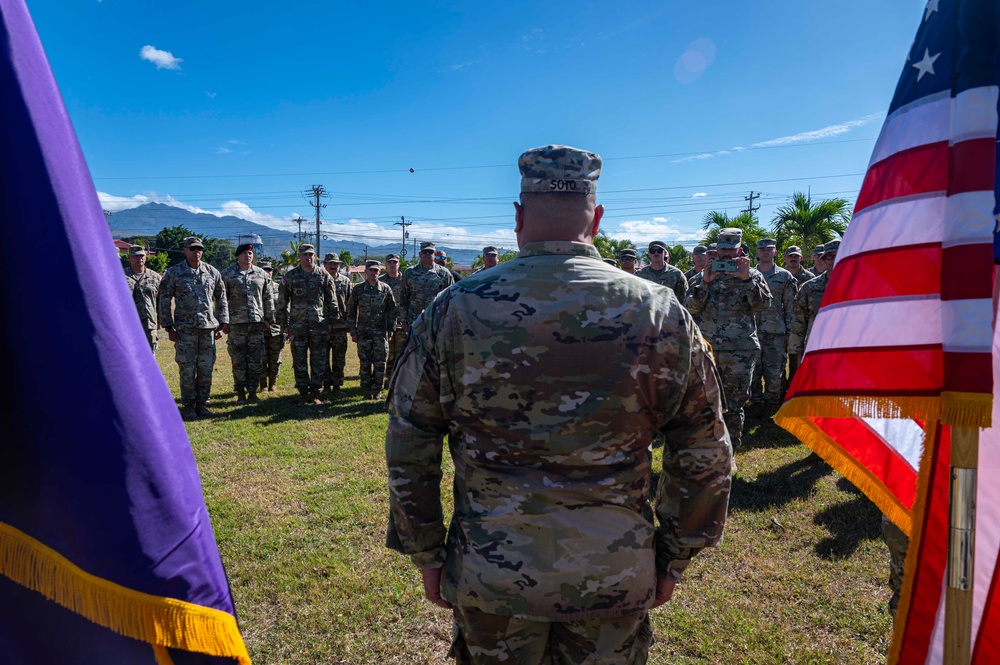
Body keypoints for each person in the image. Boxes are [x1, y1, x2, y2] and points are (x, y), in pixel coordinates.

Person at [386, 144, 732, 664]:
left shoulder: (454, 308)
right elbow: (706, 452)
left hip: (492, 572)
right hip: (613, 573)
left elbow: (409, 442)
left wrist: (427, 553)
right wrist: (674, 557)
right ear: (596, 218)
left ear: (519, 218)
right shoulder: (660, 312)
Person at [684, 228, 771, 448]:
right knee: (703, 401)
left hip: (740, 350)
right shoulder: (701, 276)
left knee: (734, 403)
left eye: (730, 250)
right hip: (707, 349)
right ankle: (706, 449)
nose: (725, 254)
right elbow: (690, 308)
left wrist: (746, 280)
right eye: (722, 249)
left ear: (739, 251)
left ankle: (730, 450)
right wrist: (705, 282)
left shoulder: (753, 275)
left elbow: (763, 305)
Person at [158, 236, 228, 420]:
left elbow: (221, 298)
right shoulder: (174, 272)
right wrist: (169, 327)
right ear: (185, 250)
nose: (197, 252)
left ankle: (202, 404)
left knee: (206, 368)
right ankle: (188, 405)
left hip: (207, 329)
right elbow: (164, 299)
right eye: (192, 249)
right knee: (187, 368)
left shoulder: (212, 272)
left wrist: (223, 324)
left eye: (199, 249)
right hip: (185, 330)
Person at [277, 243, 338, 405]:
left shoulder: (324, 276)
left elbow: (332, 301)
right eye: (305, 254)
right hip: (298, 326)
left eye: (311, 254)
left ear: (314, 256)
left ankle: (316, 393)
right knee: (300, 361)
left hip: (319, 326)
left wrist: (332, 322)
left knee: (318, 361)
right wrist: (284, 325)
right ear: (299, 256)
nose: (308, 257)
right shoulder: (291, 276)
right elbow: (282, 302)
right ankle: (304, 393)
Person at [748, 238, 797, 417]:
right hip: (752, 331)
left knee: (775, 372)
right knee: (753, 371)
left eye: (769, 249)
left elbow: (790, 306)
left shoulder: (785, 276)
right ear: (758, 253)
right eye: (762, 250)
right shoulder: (749, 274)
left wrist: (789, 332)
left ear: (775, 252)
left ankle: (771, 405)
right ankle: (754, 404)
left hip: (775, 332)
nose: (765, 252)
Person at [221, 244, 274, 404]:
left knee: (256, 359)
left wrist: (268, 318)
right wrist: (223, 320)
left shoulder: (262, 274)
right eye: (244, 253)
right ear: (238, 256)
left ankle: (253, 392)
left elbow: (268, 297)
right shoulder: (228, 274)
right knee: (238, 360)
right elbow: (221, 299)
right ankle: (240, 393)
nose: (248, 255)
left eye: (250, 253)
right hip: (236, 324)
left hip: (256, 323)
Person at [347, 260, 398, 400]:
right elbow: (351, 311)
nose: (373, 273)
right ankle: (366, 390)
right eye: (371, 270)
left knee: (380, 363)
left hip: (380, 333)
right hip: (363, 333)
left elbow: (392, 311)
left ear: (379, 272)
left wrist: (390, 330)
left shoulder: (385, 289)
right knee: (365, 363)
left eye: (376, 270)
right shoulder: (358, 289)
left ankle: (377, 391)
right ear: (366, 271)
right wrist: (353, 331)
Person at [789, 240, 839, 366]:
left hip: (845, 349)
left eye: (838, 255)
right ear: (824, 260)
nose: (834, 260)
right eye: (830, 256)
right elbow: (799, 323)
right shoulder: (809, 287)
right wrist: (799, 356)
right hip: (815, 349)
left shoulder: (857, 287)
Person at [400, 241, 454, 333]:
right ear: (420, 254)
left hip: (437, 321)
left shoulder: (444, 274)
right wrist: (404, 319)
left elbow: (451, 297)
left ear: (435, 254)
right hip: (414, 320)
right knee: (415, 347)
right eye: (425, 252)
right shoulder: (409, 273)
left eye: (430, 252)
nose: (427, 254)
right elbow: (403, 298)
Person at [322, 253, 351, 397]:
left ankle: (337, 386)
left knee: (339, 359)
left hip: (340, 327)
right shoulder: (318, 279)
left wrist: (350, 324)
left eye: (335, 264)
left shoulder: (345, 282)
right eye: (330, 263)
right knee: (323, 358)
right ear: (324, 264)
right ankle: (326, 386)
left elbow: (351, 304)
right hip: (322, 327)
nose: (333, 266)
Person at [125, 245, 161, 354]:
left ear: (145, 257)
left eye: (142, 256)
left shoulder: (155, 277)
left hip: (149, 324)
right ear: (129, 258)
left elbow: (160, 300)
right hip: (128, 325)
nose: (139, 258)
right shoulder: (119, 276)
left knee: (150, 357)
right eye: (135, 256)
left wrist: (160, 320)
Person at [380, 253, 406, 386]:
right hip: (386, 323)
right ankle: (389, 378)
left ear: (398, 264)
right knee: (387, 354)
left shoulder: (406, 280)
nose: (392, 264)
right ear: (385, 265)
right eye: (389, 262)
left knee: (401, 353)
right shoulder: (380, 281)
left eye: (394, 262)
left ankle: (399, 379)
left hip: (402, 323)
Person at [259, 261, 284, 392]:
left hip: (276, 329)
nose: (267, 272)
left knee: (275, 358)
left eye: (269, 270)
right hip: (260, 328)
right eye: (264, 269)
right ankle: (262, 384)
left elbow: (285, 307)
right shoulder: (255, 287)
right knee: (261, 358)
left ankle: (272, 382)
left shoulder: (279, 288)